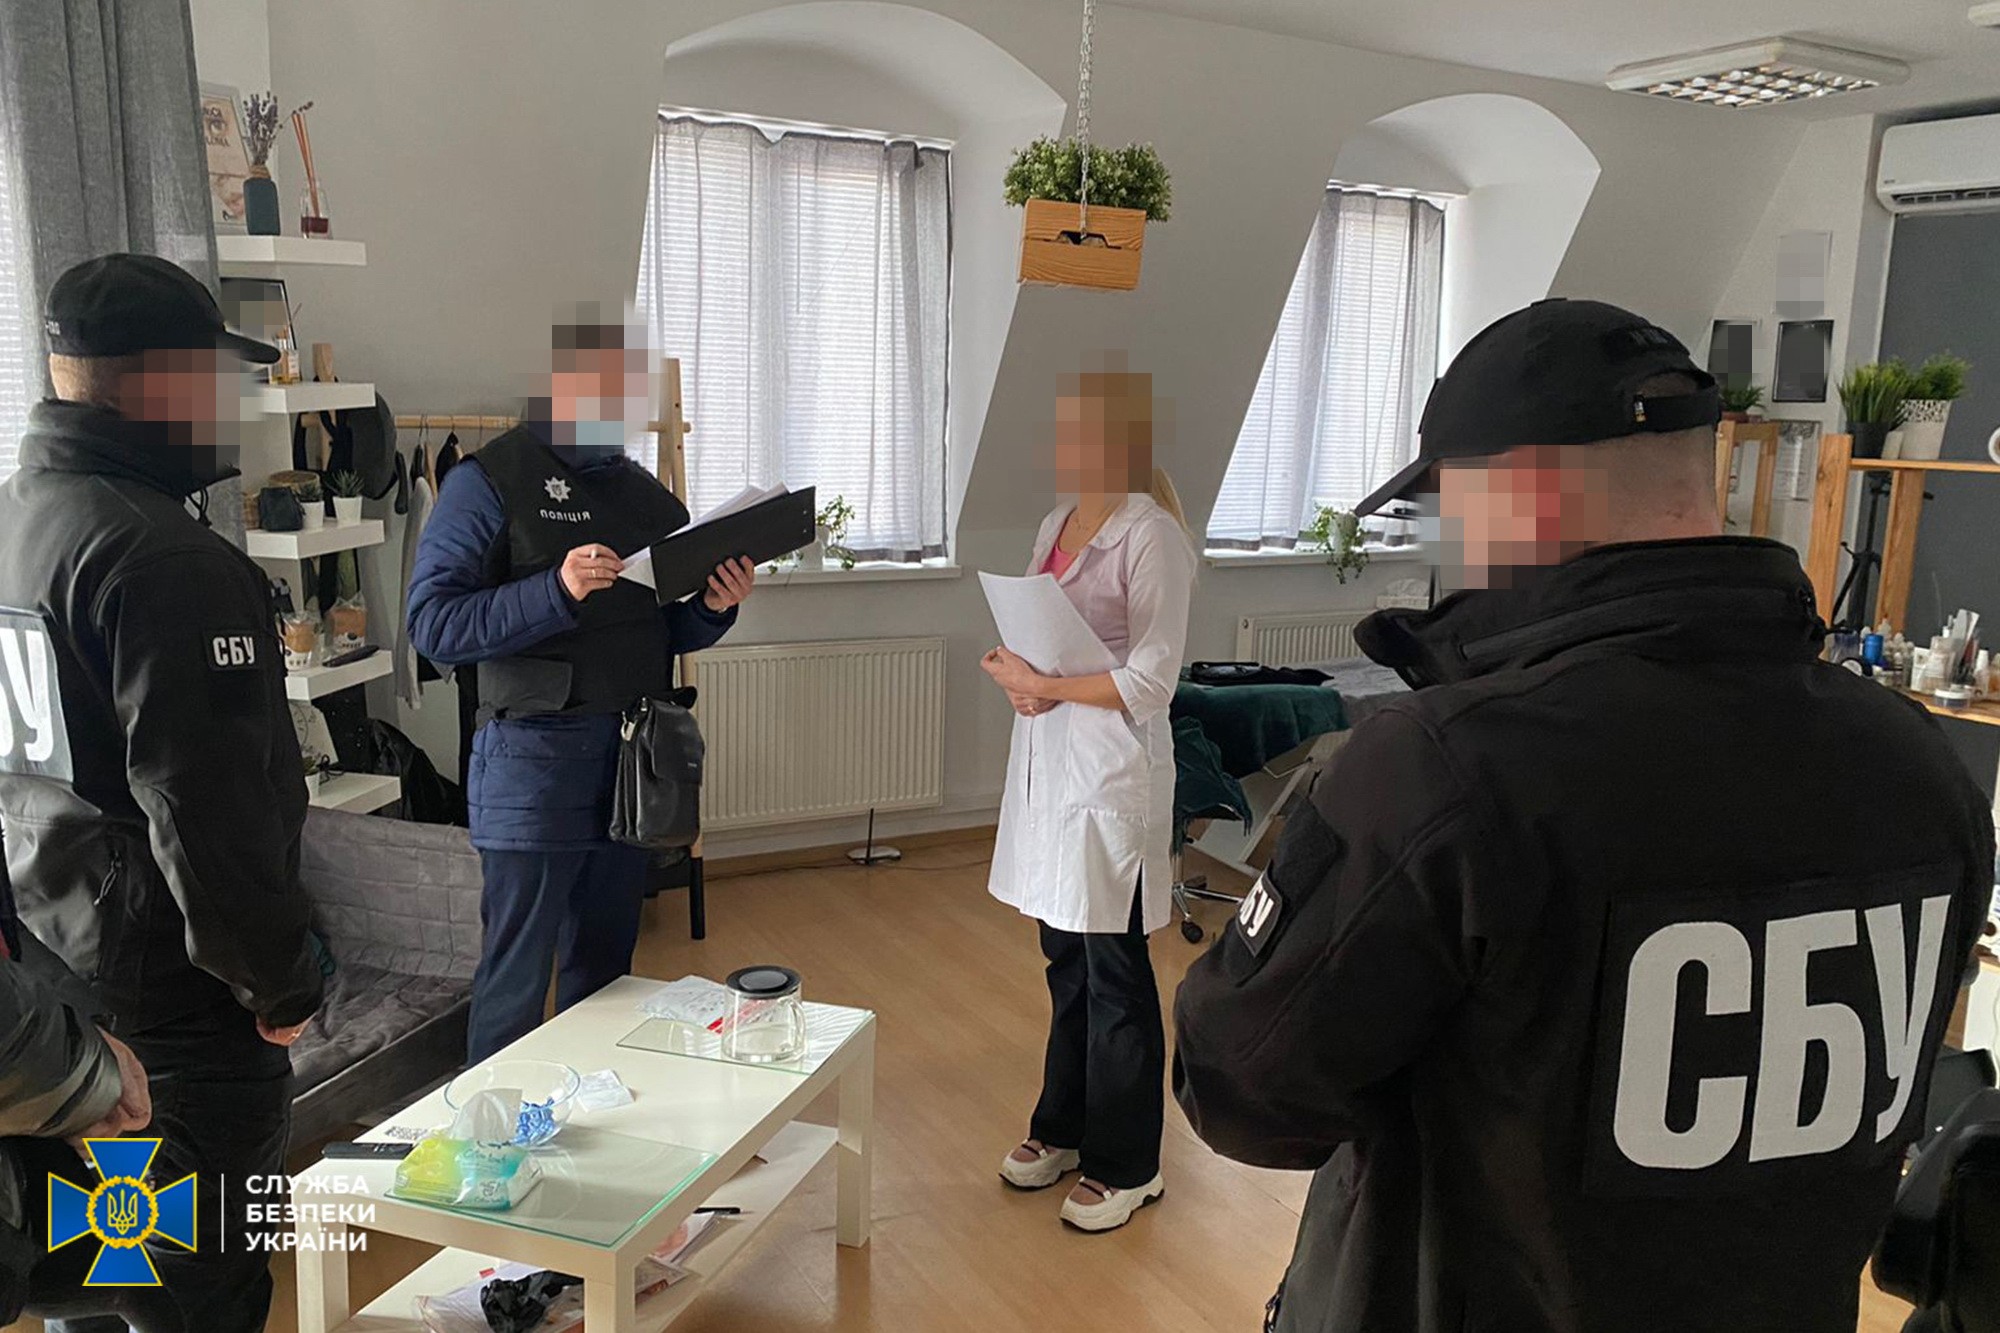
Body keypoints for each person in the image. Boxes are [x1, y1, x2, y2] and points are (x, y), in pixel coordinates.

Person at [1172, 298, 1996, 1333]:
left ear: (1517, 491)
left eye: (1448, 510)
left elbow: (1238, 1083)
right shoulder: (1921, 767)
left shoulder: (1447, 767)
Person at [0, 253, 326, 1332]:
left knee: (105, 1268)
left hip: (55, 978)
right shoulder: (164, 557)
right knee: (203, 1279)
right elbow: (207, 813)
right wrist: (280, 986)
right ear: (162, 380)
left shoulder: (16, 520)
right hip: (177, 1007)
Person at [407, 310, 753, 1063]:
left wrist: (711, 608)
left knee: (606, 980)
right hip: (530, 768)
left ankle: (592, 1124)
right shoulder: (486, 481)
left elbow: (662, 630)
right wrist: (554, 591)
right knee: (515, 982)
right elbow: (432, 625)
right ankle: (494, 1130)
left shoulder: (647, 499)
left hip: (633, 768)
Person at [981, 364, 1197, 1232]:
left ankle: (1129, 1162)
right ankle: (1062, 1126)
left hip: (1113, 775)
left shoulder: (1153, 536)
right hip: (1049, 768)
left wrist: (1047, 685)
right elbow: (1041, 639)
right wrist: (1017, 679)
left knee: (1114, 970)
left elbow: (1151, 680)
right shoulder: (1056, 523)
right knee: (1062, 956)